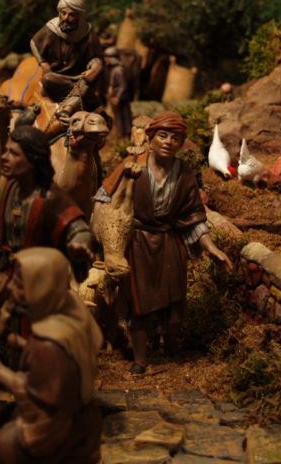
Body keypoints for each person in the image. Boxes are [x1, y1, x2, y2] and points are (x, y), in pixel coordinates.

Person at [93, 111, 232, 374]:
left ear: (181, 143)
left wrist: (211, 247)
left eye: (175, 138)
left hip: (170, 243)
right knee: (139, 302)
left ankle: (172, 349)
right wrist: (104, 234)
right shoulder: (132, 167)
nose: (168, 142)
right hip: (138, 244)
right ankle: (141, 359)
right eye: (163, 135)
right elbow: (103, 197)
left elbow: (193, 217)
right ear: (150, 138)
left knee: (173, 299)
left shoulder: (185, 175)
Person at [0, 247, 103, 464]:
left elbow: (36, 395)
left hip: (51, 429)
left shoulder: (48, 344)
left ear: (41, 288)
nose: (10, 287)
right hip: (81, 414)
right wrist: (13, 340)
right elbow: (51, 365)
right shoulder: (70, 312)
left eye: (20, 284)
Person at [0, 124, 93, 281]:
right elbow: (3, 232)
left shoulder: (51, 198)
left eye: (14, 153)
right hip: (13, 278)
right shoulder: (12, 189)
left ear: (32, 160)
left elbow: (79, 229)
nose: (4, 157)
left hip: (42, 282)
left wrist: (79, 244)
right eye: (6, 151)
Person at [30, 0, 104, 118]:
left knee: (90, 80)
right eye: (63, 13)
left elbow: (95, 57)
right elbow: (34, 43)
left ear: (80, 16)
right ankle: (86, 98)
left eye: (71, 15)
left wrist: (95, 67)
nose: (66, 18)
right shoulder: (51, 29)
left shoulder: (88, 33)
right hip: (57, 77)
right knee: (48, 79)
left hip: (79, 77)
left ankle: (68, 108)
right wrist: (42, 63)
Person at [103, 47, 133, 140]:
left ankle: (122, 138)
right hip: (114, 98)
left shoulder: (118, 70)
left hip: (120, 100)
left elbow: (123, 86)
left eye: (107, 57)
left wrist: (117, 98)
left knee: (122, 119)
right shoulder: (114, 69)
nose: (105, 60)